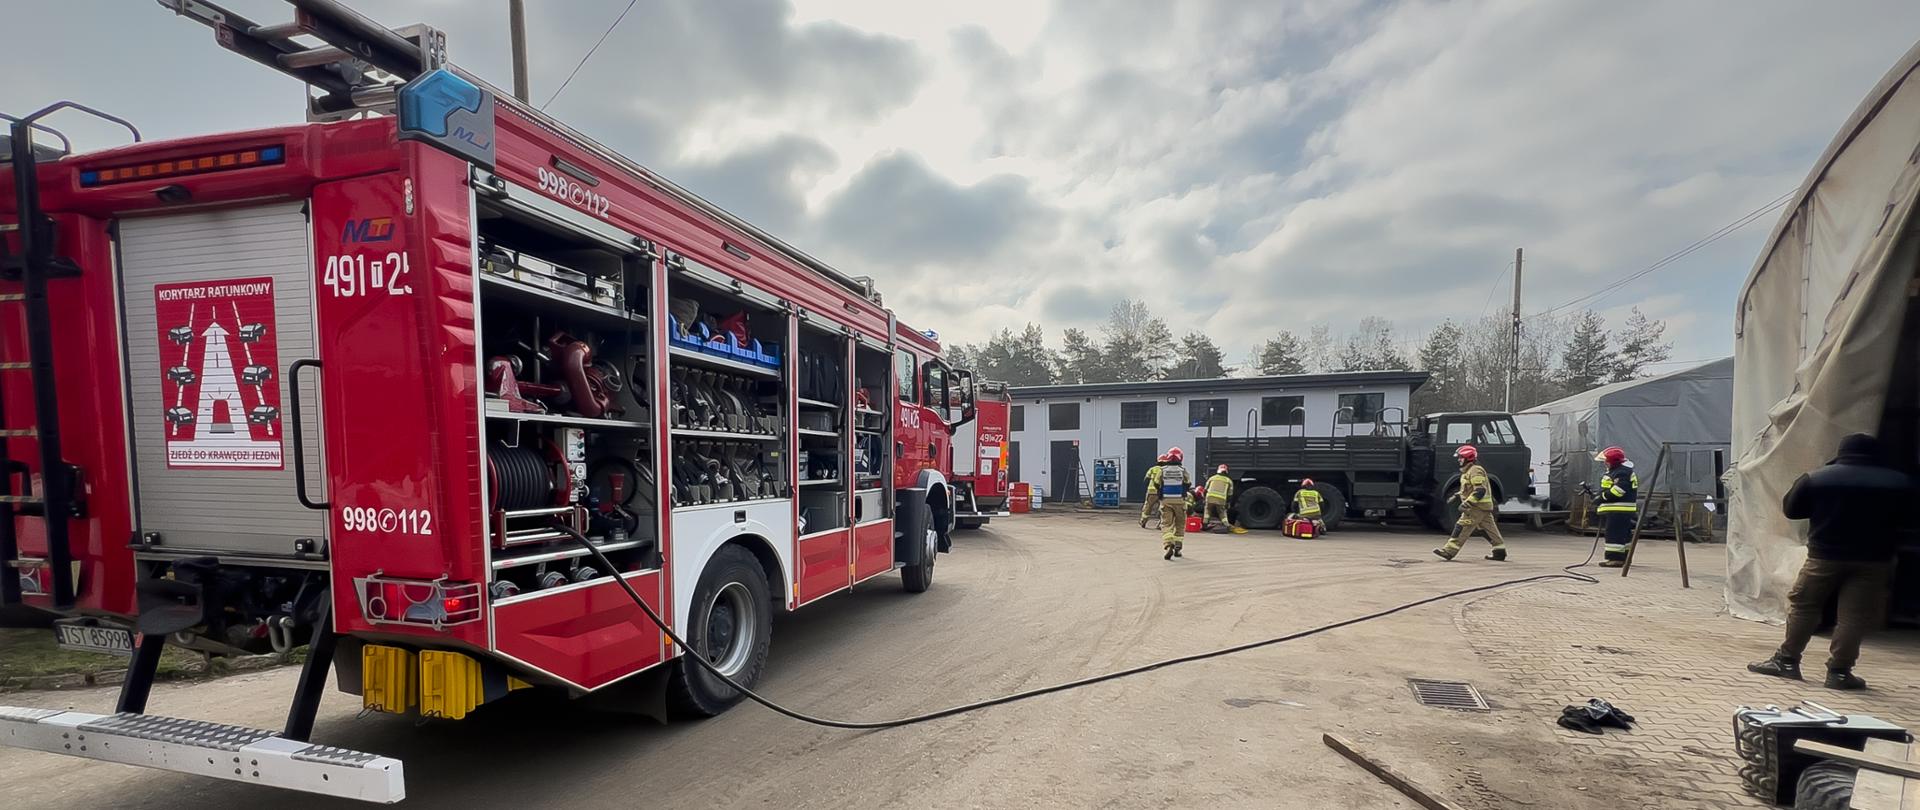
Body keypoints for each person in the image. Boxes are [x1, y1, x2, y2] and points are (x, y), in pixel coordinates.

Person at [1748, 433, 1914, 690]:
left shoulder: (1817, 478)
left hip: (1824, 556)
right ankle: (1839, 672)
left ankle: (1787, 660)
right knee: (1854, 616)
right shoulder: (1899, 481)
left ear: (1842, 452)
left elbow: (1792, 510)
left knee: (1804, 606)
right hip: (1874, 560)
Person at [1434, 445, 1508, 562]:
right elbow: (1469, 488)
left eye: (1460, 457)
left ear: (1468, 458)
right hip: (1483, 507)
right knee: (1490, 530)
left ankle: (1449, 551)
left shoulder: (1475, 470)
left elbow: (1480, 490)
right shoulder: (1468, 471)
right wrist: (1457, 495)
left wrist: (1467, 503)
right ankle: (1499, 551)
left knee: (1462, 527)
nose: (1459, 460)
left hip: (1476, 507)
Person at [1592, 446, 1638, 567]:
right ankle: (1625, 558)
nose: (1605, 463)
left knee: (1614, 534)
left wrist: (1601, 497)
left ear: (1613, 462)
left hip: (1618, 510)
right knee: (1624, 534)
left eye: (1606, 461)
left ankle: (1615, 559)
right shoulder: (1620, 471)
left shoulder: (1621, 472)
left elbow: (1618, 491)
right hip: (1621, 510)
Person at [1148, 447, 1190, 560]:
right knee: (1180, 524)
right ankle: (1178, 548)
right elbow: (1188, 483)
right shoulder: (1183, 470)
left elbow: (1156, 483)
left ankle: (1168, 545)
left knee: (1166, 524)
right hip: (1180, 502)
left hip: (1166, 501)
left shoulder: (1163, 470)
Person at [1140, 453, 1167, 529]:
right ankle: (1160, 524)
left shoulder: (1152, 469)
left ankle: (1143, 521)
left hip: (1151, 491)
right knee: (1163, 508)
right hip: (1162, 492)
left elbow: (1146, 480)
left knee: (1148, 507)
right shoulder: (1166, 470)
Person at [1204, 464, 1234, 531]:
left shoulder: (1212, 478)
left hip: (1210, 498)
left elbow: (1205, 490)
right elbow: (1230, 494)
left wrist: (1204, 498)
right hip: (1221, 500)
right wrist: (1228, 503)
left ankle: (1205, 524)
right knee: (1222, 513)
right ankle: (1226, 525)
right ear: (1226, 471)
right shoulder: (1229, 481)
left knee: (1207, 511)